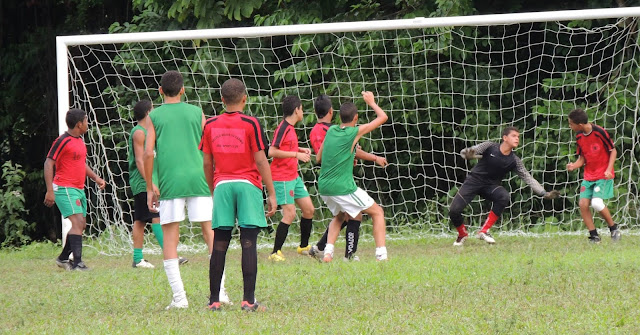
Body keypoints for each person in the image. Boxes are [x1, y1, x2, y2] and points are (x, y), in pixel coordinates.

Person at [143, 70, 225, 309]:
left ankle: (180, 299)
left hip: (170, 182)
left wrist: (150, 186)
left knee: (170, 239)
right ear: (182, 90)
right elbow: (211, 145)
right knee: (211, 234)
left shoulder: (154, 116)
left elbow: (149, 153)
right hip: (199, 178)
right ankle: (220, 292)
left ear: (159, 91)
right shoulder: (196, 111)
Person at [200, 78, 276, 312]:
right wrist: (271, 192)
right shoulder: (251, 123)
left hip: (222, 184)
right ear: (245, 98)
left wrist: (215, 189)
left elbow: (206, 162)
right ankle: (248, 301)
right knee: (248, 243)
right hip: (248, 185)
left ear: (222, 100)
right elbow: (261, 159)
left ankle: (214, 300)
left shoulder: (210, 124)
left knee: (220, 243)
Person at [307, 94, 388, 261]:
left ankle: (328, 253)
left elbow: (319, 158)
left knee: (340, 217)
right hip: (341, 187)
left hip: (323, 186)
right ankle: (382, 255)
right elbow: (383, 117)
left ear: (338, 116)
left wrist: (346, 156)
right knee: (377, 212)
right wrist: (371, 102)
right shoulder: (353, 132)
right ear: (356, 117)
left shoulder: (331, 131)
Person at [450, 126, 560, 246]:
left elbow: (528, 177)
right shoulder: (489, 146)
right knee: (454, 210)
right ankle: (462, 234)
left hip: (490, 186)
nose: (517, 139)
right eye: (514, 136)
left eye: (518, 137)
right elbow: (466, 152)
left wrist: (543, 193)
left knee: (504, 196)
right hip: (473, 181)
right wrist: (468, 154)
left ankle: (484, 231)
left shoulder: (514, 160)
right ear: (505, 138)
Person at [128, 99, 188, 268]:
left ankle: (138, 258)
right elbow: (140, 161)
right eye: (153, 110)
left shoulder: (150, 132)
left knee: (141, 220)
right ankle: (171, 256)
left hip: (149, 181)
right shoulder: (139, 132)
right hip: (142, 182)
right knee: (157, 217)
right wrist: (150, 183)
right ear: (148, 113)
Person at [44, 108, 106, 271]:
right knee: (77, 223)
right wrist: (50, 190)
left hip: (78, 188)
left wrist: (96, 177)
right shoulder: (62, 141)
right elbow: (48, 163)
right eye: (86, 121)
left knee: (81, 224)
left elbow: (80, 164)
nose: (88, 124)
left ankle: (63, 258)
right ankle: (78, 263)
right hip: (64, 187)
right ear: (79, 124)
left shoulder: (79, 141)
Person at [267, 95, 315, 261]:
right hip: (282, 178)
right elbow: (272, 151)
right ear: (296, 110)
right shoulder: (283, 128)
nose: (302, 112)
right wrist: (296, 154)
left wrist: (300, 150)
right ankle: (275, 253)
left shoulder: (290, 128)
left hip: (293, 176)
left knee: (309, 210)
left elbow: (286, 147)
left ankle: (303, 247)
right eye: (301, 109)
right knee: (290, 214)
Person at [567, 108, 621, 243]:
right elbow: (582, 158)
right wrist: (574, 165)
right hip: (589, 176)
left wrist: (609, 170)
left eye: (571, 124)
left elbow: (613, 151)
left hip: (603, 175)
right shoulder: (579, 136)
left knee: (596, 203)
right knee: (583, 204)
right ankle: (594, 236)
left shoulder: (599, 132)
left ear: (579, 124)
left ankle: (613, 228)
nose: (570, 126)